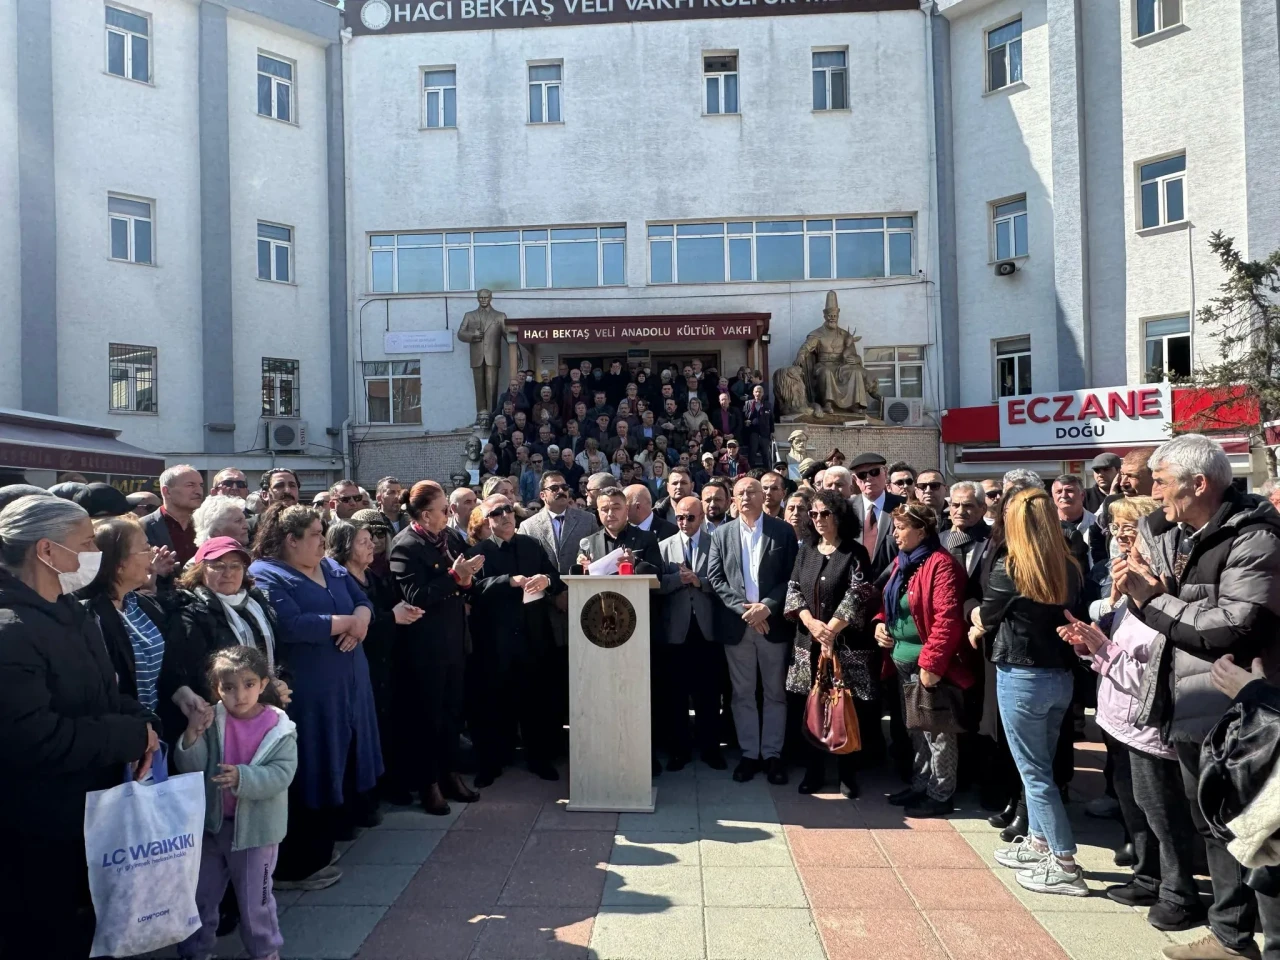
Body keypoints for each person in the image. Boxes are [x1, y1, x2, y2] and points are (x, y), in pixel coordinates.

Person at [1116, 435, 1280, 960]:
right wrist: (1147, 587)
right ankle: (1230, 936)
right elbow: (1173, 610)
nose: (1152, 493)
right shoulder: (1185, 532)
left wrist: (1153, 597)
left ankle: (1255, 940)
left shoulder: (1254, 538)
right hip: (1191, 703)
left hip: (1241, 714)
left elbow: (1233, 626)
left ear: (1200, 484)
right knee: (1213, 825)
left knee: (1256, 836)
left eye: (1161, 482)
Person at [0, 495, 159, 960]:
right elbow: (37, 738)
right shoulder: (12, 631)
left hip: (95, 821)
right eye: (86, 542)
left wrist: (145, 725)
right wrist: (129, 736)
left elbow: (106, 697)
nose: (95, 551)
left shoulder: (73, 613)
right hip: (41, 833)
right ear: (47, 552)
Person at [1057, 496, 1206, 933]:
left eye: (1130, 534)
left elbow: (1155, 669)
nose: (1121, 542)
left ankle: (1181, 894)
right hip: (1119, 718)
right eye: (1116, 532)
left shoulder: (1164, 595)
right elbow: (1116, 650)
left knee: (1163, 811)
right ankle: (1148, 876)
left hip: (1150, 724)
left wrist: (1101, 650)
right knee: (1135, 804)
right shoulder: (1126, 590)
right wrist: (1088, 643)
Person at [250, 504, 382, 890]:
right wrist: (347, 624)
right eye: (315, 535)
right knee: (312, 764)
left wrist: (361, 621)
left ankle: (325, 843)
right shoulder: (267, 574)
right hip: (310, 690)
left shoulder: (329, 566)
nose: (323, 542)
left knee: (343, 758)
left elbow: (364, 599)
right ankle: (298, 864)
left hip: (349, 684)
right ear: (290, 541)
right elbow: (291, 625)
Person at [975, 487, 1088, 896]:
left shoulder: (1013, 566)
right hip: (1060, 676)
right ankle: (1039, 841)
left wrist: (975, 618)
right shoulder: (1069, 564)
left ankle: (1064, 862)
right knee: (1040, 765)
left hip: (1023, 676)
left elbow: (986, 615)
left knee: (1035, 772)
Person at [175, 645, 296, 960]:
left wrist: (243, 778)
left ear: (263, 684)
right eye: (228, 688)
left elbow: (282, 773)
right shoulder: (212, 719)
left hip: (256, 834)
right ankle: (195, 951)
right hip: (212, 827)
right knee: (200, 895)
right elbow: (193, 767)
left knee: (256, 900)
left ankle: (265, 952)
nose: (239, 695)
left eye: (248, 685)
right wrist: (190, 737)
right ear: (216, 689)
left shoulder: (279, 726)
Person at [388, 482, 484, 813]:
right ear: (426, 515)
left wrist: (467, 578)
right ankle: (428, 783)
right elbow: (416, 596)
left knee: (452, 713)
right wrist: (455, 578)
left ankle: (450, 774)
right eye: (445, 509)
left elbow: (461, 585)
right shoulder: (405, 546)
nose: (450, 514)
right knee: (427, 717)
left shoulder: (449, 539)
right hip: (424, 648)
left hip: (454, 641)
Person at [77, 516, 212, 747]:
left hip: (156, 734)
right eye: (145, 549)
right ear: (119, 564)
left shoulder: (143, 604)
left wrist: (182, 693)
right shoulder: (86, 615)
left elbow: (166, 665)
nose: (152, 555)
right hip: (118, 740)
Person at [874, 502, 973, 816]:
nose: (895, 534)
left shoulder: (940, 564)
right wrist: (880, 624)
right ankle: (921, 784)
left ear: (922, 530)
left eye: (901, 528)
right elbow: (890, 602)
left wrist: (932, 663)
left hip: (926, 666)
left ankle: (941, 793)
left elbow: (948, 619)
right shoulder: (904, 561)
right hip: (901, 661)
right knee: (915, 729)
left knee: (938, 732)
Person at [784, 489, 877, 797]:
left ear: (839, 516)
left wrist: (832, 631)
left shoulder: (854, 552)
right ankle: (814, 771)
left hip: (847, 646)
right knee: (811, 706)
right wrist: (812, 624)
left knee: (845, 707)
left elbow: (858, 594)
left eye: (826, 514)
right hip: (807, 643)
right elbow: (794, 589)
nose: (819, 520)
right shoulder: (806, 550)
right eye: (814, 514)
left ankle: (848, 774)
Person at [708, 477, 799, 784]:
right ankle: (749, 754)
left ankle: (772, 755)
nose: (746, 497)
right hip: (738, 626)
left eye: (752, 491)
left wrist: (767, 606)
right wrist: (747, 610)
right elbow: (716, 578)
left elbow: (791, 577)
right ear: (733, 500)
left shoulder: (783, 531)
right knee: (742, 693)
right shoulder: (722, 534)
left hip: (772, 625)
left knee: (775, 693)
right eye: (740, 493)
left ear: (764, 496)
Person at [469, 494, 563, 783]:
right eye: (496, 512)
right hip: (495, 641)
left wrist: (547, 581)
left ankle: (539, 759)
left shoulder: (531, 545)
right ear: (487, 520)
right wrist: (507, 581)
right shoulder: (481, 551)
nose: (505, 515)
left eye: (508, 509)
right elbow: (472, 588)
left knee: (536, 701)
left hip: (532, 638)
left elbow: (555, 577)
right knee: (494, 703)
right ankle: (493, 763)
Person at [328, 520, 423, 806]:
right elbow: (358, 628)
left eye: (372, 539)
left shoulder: (374, 577)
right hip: (360, 667)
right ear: (344, 546)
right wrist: (391, 617)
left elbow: (390, 607)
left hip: (387, 664)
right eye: (363, 541)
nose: (372, 545)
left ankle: (388, 784)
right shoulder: (339, 581)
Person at [175, 536, 289, 706]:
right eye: (218, 566)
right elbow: (198, 676)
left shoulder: (258, 604)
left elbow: (281, 654)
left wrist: (283, 683)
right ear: (200, 570)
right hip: (221, 712)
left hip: (267, 706)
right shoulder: (191, 612)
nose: (228, 573)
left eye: (235, 566)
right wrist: (260, 694)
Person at [657, 496, 725, 771]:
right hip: (676, 632)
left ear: (702, 516)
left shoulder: (716, 543)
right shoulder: (664, 547)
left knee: (709, 694)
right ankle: (679, 750)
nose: (684, 523)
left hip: (707, 630)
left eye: (690, 518)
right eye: (680, 518)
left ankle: (710, 749)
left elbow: (725, 581)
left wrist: (700, 581)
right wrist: (678, 580)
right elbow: (656, 585)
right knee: (676, 694)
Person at [521, 471, 598, 647]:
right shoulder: (528, 526)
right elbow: (527, 569)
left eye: (564, 487)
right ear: (542, 495)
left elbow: (595, 559)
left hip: (582, 603)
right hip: (545, 608)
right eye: (554, 488)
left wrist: (573, 594)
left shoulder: (588, 520)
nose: (561, 491)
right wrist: (554, 598)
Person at [574, 486, 663, 574]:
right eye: (604, 509)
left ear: (626, 509)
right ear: (598, 512)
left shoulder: (646, 538)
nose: (610, 514)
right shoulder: (589, 543)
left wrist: (636, 563)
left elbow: (658, 575)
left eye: (616, 508)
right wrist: (580, 567)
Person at [143, 463, 206, 583]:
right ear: (167, 491)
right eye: (190, 485)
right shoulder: (143, 527)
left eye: (201, 485)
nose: (199, 491)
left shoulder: (206, 524)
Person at [849, 452, 905, 578]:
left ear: (885, 472)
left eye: (874, 472)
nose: (868, 478)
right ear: (855, 480)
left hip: (893, 582)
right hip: (855, 586)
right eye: (862, 475)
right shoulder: (847, 508)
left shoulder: (902, 506)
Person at [941, 481, 992, 579]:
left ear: (983, 509)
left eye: (968, 506)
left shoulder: (994, 539)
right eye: (955, 505)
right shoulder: (940, 539)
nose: (960, 511)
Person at [1052, 474, 1106, 565]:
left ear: (1082, 495)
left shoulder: (1098, 525)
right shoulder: (1046, 526)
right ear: (1053, 497)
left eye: (1069, 490)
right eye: (1059, 492)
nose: (1064, 495)